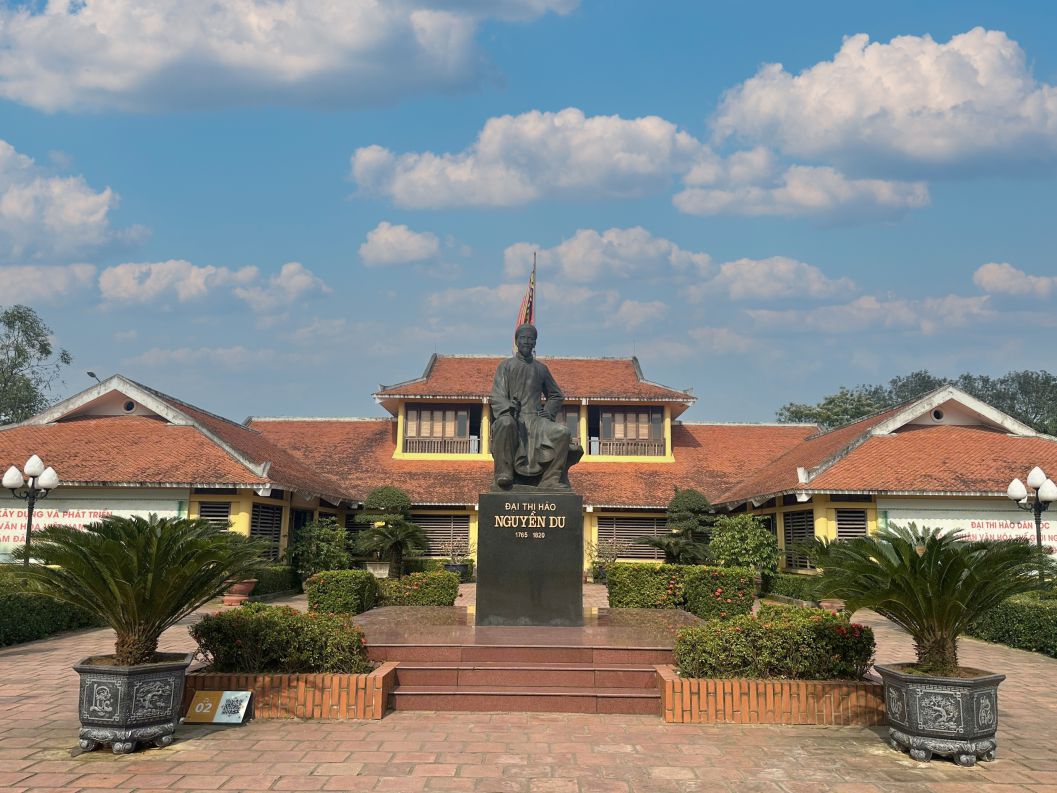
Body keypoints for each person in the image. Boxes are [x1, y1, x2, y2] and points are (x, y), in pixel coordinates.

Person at [490, 324, 579, 490]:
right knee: (505, 424)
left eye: (531, 338)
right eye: (523, 338)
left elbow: (556, 395)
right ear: (516, 341)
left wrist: (548, 413)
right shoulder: (505, 366)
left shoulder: (541, 369)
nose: (526, 341)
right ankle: (504, 473)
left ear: (535, 343)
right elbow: (496, 395)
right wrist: (509, 406)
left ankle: (551, 479)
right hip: (515, 418)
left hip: (536, 420)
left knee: (563, 433)